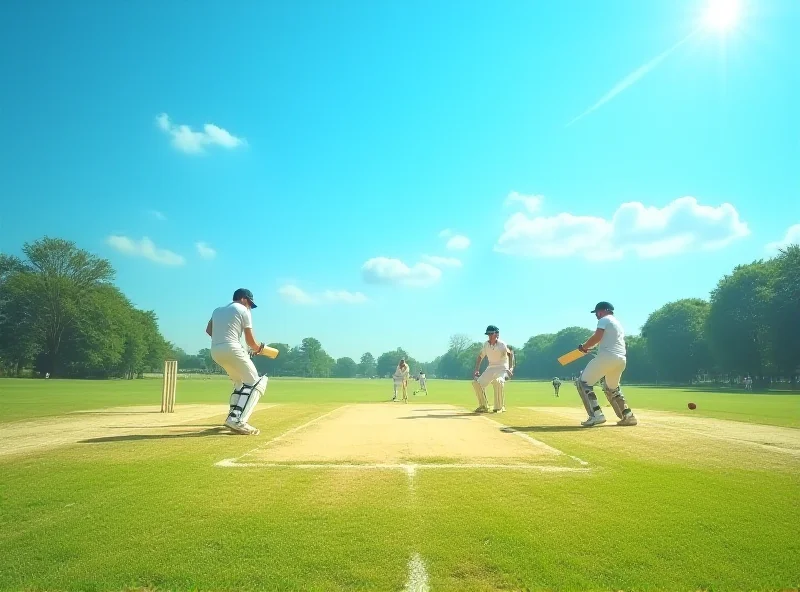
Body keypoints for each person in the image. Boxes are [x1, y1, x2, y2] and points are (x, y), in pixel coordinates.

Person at [205, 288, 268, 435]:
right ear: (243, 299)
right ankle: (237, 420)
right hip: (233, 349)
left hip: (216, 351)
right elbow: (251, 341)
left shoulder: (217, 310)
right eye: (250, 303)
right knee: (256, 382)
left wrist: (224, 339)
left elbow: (209, 330)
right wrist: (259, 348)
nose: (250, 307)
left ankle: (232, 416)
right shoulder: (243, 310)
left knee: (240, 382)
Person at [574, 302, 637, 427]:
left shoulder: (604, 319)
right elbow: (608, 341)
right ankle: (628, 416)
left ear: (603, 311)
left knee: (583, 382)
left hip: (607, 358)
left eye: (597, 312)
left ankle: (596, 415)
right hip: (621, 360)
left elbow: (597, 336)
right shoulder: (617, 323)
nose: (596, 315)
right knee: (611, 388)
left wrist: (584, 347)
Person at [472, 325, 513, 413]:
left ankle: (500, 407)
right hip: (491, 367)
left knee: (498, 381)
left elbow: (510, 354)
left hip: (502, 367)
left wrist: (510, 368)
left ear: (496, 334)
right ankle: (484, 406)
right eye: (488, 334)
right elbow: (480, 356)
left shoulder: (502, 344)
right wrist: (476, 369)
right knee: (476, 383)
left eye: (491, 334)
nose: (490, 336)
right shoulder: (486, 344)